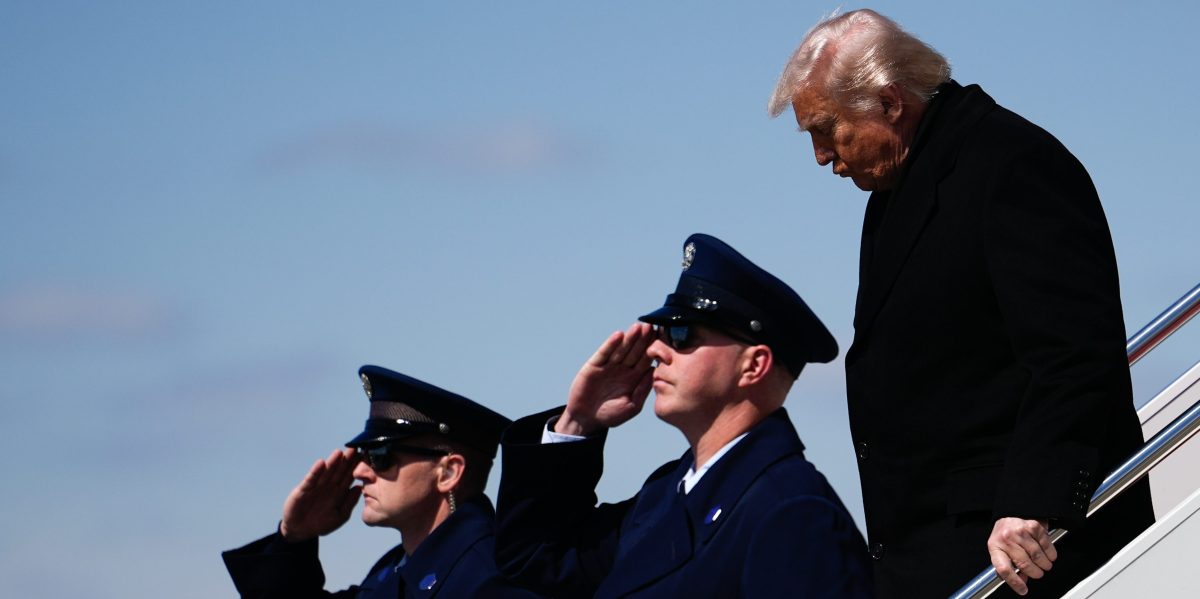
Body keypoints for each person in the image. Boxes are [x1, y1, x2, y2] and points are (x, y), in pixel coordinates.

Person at [768, 9, 1154, 598]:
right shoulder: (898, 185)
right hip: (934, 554)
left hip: (1020, 553)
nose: (821, 155)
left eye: (827, 129)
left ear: (890, 102)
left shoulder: (1012, 162)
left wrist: (1034, 499)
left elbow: (1075, 354)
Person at [494, 233, 873, 598]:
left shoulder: (793, 514)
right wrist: (578, 422)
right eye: (661, 334)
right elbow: (535, 562)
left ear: (753, 366)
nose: (656, 350)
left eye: (682, 335)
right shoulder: (665, 495)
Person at [222, 365, 541, 598]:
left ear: (448, 472)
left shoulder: (492, 577)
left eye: (380, 455)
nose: (360, 472)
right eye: (363, 455)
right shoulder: (394, 572)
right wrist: (294, 539)